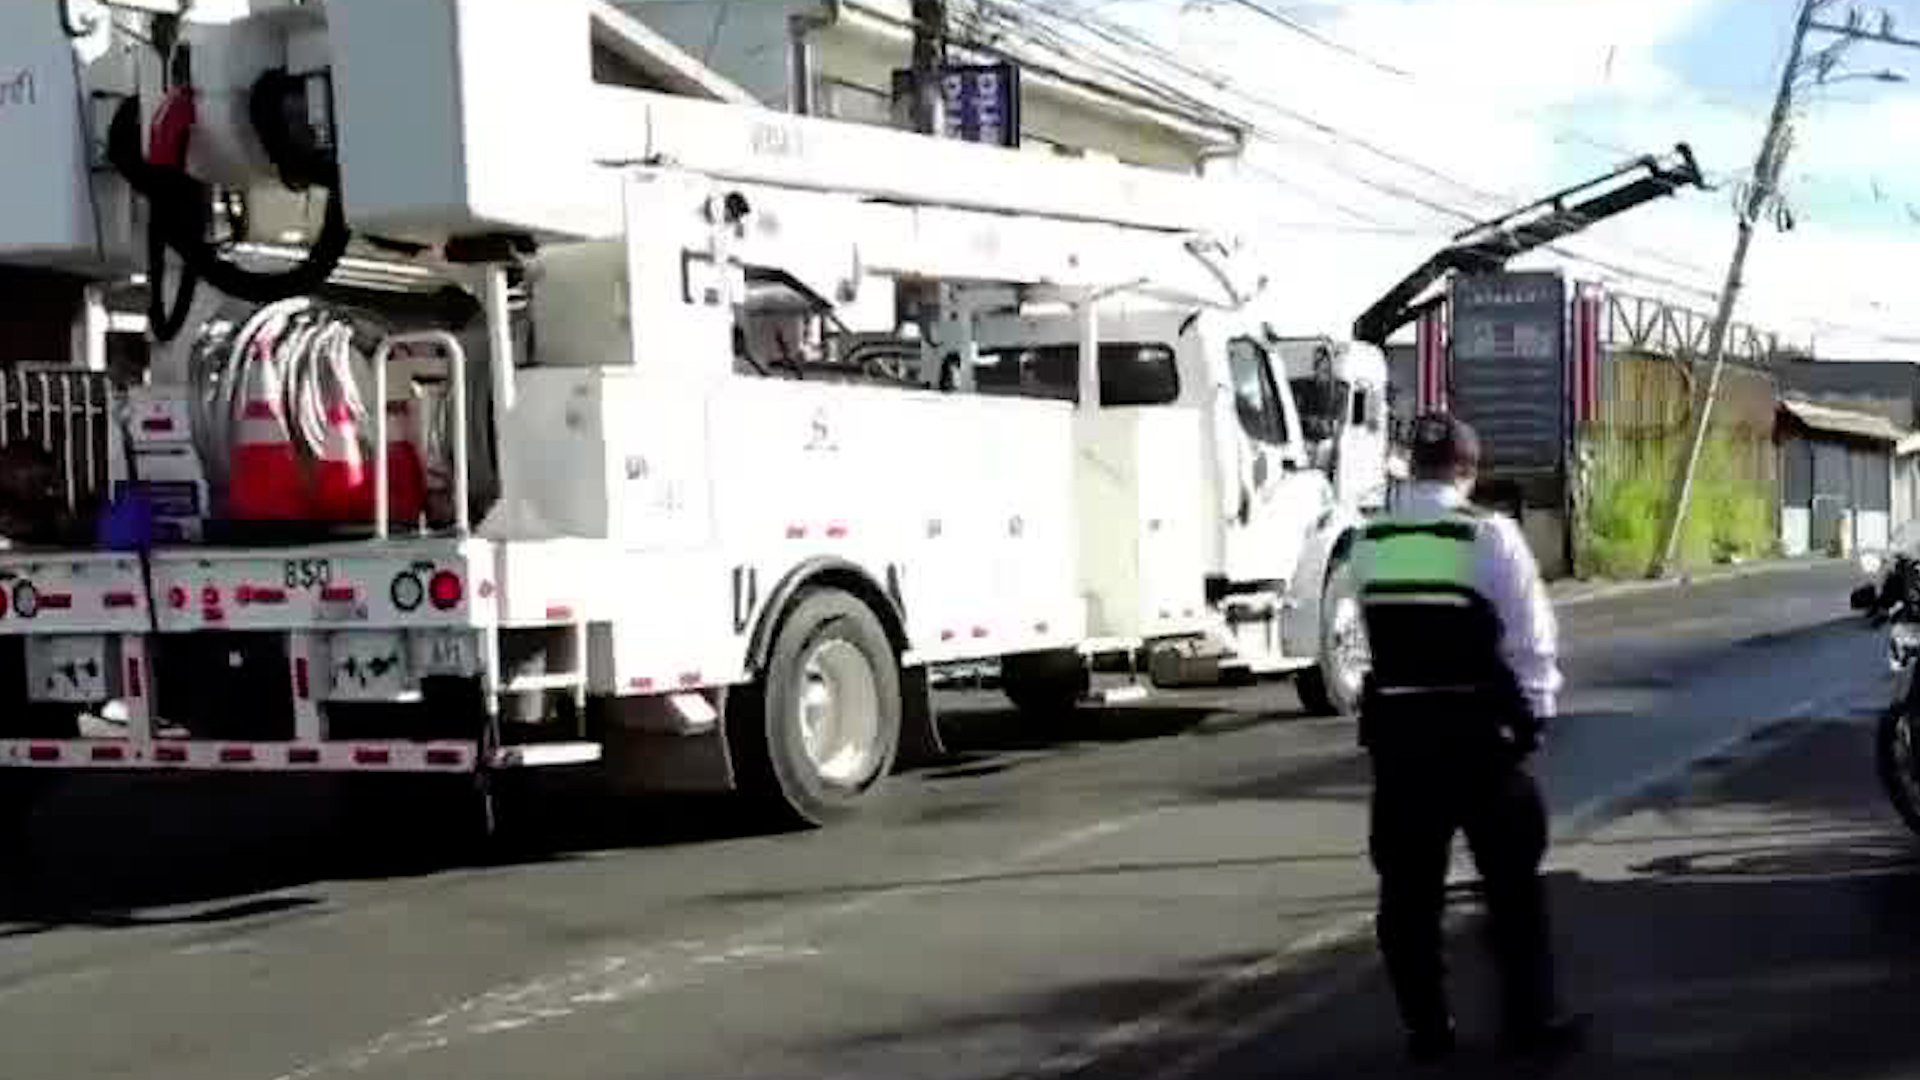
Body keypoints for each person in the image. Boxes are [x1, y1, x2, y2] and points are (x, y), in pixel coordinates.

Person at [1351, 412, 1587, 1064]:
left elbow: (1365, 634)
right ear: (1468, 469)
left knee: (1407, 896)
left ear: (1412, 468)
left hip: (1400, 741)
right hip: (1479, 738)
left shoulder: (1368, 539)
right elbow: (1530, 639)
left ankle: (1427, 1030)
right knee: (1511, 889)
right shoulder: (1489, 536)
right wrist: (1535, 717)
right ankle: (1529, 1023)